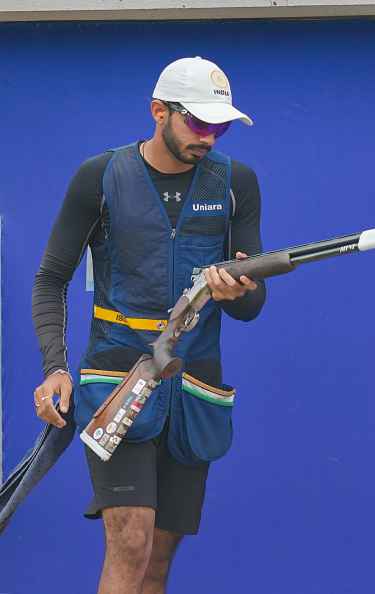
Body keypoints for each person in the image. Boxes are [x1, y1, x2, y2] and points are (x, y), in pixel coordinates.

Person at [30, 56, 266, 594]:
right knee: (130, 542)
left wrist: (237, 292)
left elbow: (252, 307)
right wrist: (55, 368)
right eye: (199, 123)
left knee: (158, 559)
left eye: (221, 126)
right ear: (159, 111)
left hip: (194, 390)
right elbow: (50, 279)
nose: (210, 137)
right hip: (117, 380)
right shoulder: (100, 177)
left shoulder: (238, 184)